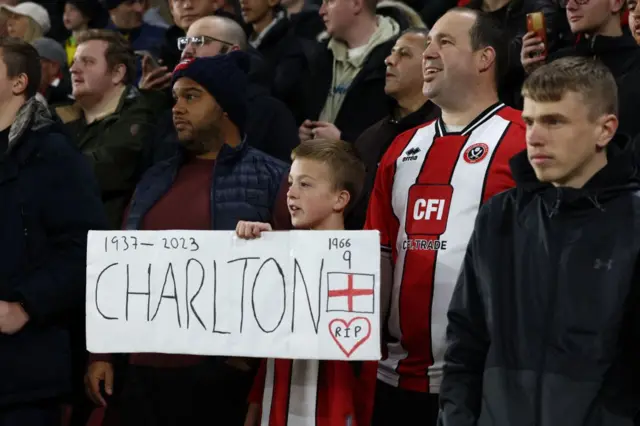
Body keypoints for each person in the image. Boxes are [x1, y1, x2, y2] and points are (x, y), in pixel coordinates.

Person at [85, 53, 290, 426]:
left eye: (191, 96)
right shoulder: (153, 179)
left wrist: (253, 364)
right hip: (140, 372)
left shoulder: (274, 178)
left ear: (226, 107)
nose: (177, 108)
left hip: (218, 378)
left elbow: (293, 277)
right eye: (175, 98)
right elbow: (120, 267)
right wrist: (102, 353)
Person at [439, 56, 640, 426]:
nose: (534, 136)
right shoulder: (498, 216)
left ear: (605, 130)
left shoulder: (633, 222)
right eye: (529, 121)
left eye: (554, 121)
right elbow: (465, 342)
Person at [364, 8, 526, 425]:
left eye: (444, 42)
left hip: (482, 381)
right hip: (392, 377)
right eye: (428, 43)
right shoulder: (400, 148)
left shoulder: (525, 140)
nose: (428, 54)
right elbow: (375, 254)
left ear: (484, 58)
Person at [0, 37, 107, 426]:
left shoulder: (54, 154)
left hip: (21, 371)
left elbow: (86, 246)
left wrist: (27, 304)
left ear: (18, 82)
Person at [237, 139, 377, 426]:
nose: (290, 193)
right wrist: (256, 248)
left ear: (340, 199)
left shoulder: (360, 263)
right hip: (276, 402)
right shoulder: (279, 251)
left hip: (332, 407)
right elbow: (273, 337)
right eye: (290, 182)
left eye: (305, 184)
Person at [55, 29, 156, 229]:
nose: (74, 69)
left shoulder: (142, 116)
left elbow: (104, 171)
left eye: (88, 62)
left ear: (117, 73)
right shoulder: (56, 116)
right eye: (74, 61)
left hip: (104, 246)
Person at [349, 27, 439, 230]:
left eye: (404, 54)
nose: (389, 60)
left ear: (432, 65)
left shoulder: (447, 133)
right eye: (392, 52)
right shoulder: (369, 138)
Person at [521, 0, 640, 138]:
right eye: (565, 1)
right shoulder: (554, 63)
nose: (570, 6)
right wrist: (534, 77)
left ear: (616, 3)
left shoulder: (636, 61)